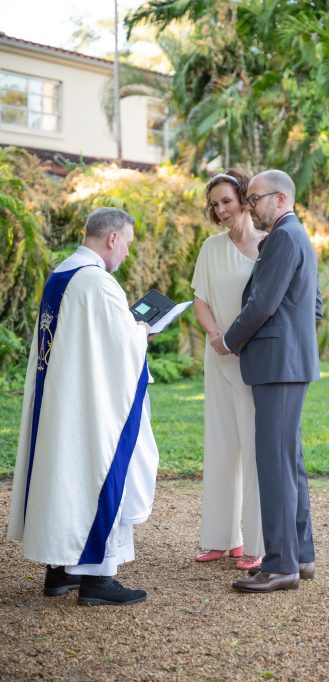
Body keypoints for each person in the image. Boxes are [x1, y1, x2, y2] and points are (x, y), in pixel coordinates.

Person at [7, 207, 159, 606]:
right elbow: (122, 347)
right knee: (95, 472)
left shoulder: (62, 274)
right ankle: (97, 580)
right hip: (91, 408)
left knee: (61, 476)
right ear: (112, 239)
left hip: (62, 399)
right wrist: (143, 329)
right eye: (126, 243)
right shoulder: (97, 282)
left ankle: (59, 572)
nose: (126, 252)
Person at [211, 169, 323, 593]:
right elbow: (313, 306)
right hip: (289, 362)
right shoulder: (299, 237)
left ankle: (279, 566)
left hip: (278, 366)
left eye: (254, 198)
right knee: (288, 461)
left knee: (274, 465)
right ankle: (302, 555)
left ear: (279, 199)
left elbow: (262, 304)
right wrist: (294, 342)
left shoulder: (280, 238)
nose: (249, 206)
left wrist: (231, 340)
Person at [191, 169, 265, 570]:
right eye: (215, 204)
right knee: (220, 447)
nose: (220, 210)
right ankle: (221, 538)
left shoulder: (271, 245)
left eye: (226, 201)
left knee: (255, 451)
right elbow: (200, 299)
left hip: (254, 360)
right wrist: (217, 336)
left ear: (244, 199)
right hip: (217, 356)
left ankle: (257, 544)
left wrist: (238, 341)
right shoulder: (210, 247)